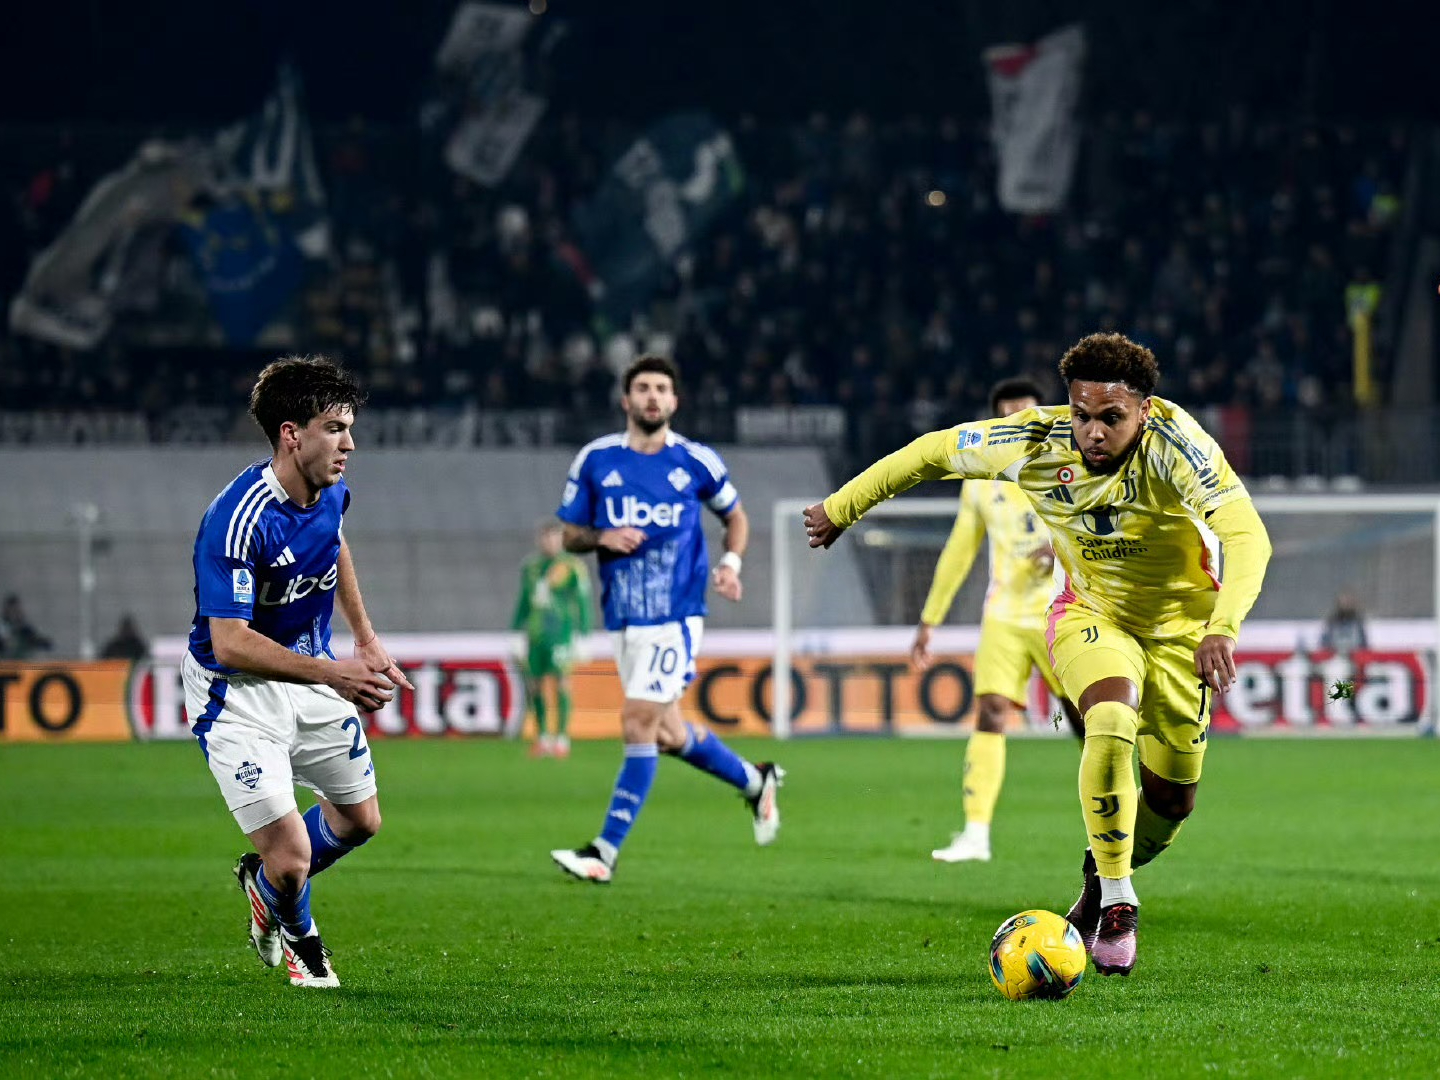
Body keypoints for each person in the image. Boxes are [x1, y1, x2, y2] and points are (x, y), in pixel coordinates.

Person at [804, 332, 1271, 977]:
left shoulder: (1177, 445)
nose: (1093, 433)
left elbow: (1246, 535)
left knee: (1172, 803)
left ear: (1144, 410)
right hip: (1090, 614)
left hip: (1183, 633)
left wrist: (1223, 626)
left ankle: (1097, 882)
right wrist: (841, 507)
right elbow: (932, 452)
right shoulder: (1033, 441)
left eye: (1112, 418)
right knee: (1107, 719)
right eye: (1082, 415)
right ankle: (1117, 902)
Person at [183, 355, 412, 988]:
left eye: (349, 427)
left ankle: (262, 884)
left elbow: (334, 540)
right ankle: (303, 941)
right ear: (292, 433)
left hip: (311, 676)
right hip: (239, 694)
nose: (350, 443)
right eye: (336, 427)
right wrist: (334, 674)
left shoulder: (332, 490)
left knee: (361, 821)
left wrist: (365, 641)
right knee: (291, 861)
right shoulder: (237, 518)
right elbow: (229, 643)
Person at [549, 355, 783, 884]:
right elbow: (569, 534)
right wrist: (602, 537)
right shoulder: (596, 459)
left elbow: (736, 516)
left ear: (674, 401)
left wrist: (731, 563)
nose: (652, 396)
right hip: (624, 616)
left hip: (675, 615)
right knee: (669, 732)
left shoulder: (696, 461)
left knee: (636, 721)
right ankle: (755, 780)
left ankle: (603, 852)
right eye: (643, 388)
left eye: (661, 389)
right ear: (625, 400)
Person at [912, 377, 1083, 865]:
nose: (1017, 423)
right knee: (990, 711)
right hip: (1005, 615)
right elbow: (959, 550)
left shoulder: (1068, 465)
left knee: (1083, 716)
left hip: (1063, 611)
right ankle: (976, 833)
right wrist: (930, 619)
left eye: (1025, 413)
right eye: (1007, 415)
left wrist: (1059, 548)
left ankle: (1119, 812)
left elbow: (1099, 523)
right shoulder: (981, 482)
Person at [512, 520, 593, 758]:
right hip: (536, 635)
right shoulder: (531, 567)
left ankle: (562, 738)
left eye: (554, 537)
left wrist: (583, 635)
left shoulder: (572, 566)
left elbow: (583, 602)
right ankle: (542, 737)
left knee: (562, 682)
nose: (549, 542)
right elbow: (524, 602)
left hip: (562, 633)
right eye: (545, 537)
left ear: (561, 539)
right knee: (535, 685)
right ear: (540, 539)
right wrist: (516, 631)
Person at [0, 594, 53, 659]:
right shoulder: (3, 628)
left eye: (17, 610)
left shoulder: (25, 629)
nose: (16, 613)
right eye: (13, 610)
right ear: (6, 611)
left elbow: (41, 642)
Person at [1320, 590, 1368, 655]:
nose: (1346, 603)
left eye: (1348, 601)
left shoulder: (1357, 620)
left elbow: (1363, 643)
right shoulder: (1332, 620)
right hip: (1335, 656)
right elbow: (1325, 642)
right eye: (1344, 601)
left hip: (1354, 656)